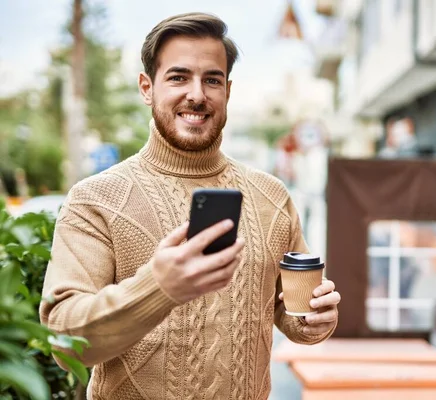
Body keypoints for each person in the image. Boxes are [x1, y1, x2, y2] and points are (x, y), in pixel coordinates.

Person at [40, 12, 341, 399]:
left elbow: (289, 311)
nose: (197, 94)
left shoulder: (272, 195)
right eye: (178, 77)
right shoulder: (95, 200)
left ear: (227, 91)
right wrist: (159, 287)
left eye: (212, 79)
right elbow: (65, 344)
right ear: (147, 88)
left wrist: (315, 320)